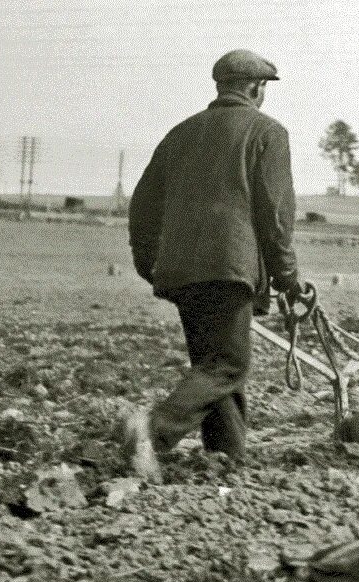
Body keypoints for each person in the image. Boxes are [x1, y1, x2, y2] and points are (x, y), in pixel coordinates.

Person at [122, 49, 308, 481]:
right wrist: (288, 278)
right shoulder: (267, 132)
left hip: (182, 272)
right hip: (228, 269)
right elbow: (275, 214)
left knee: (213, 365)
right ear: (255, 88)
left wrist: (150, 262)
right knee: (228, 364)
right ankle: (153, 430)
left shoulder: (181, 133)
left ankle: (226, 460)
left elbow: (142, 205)